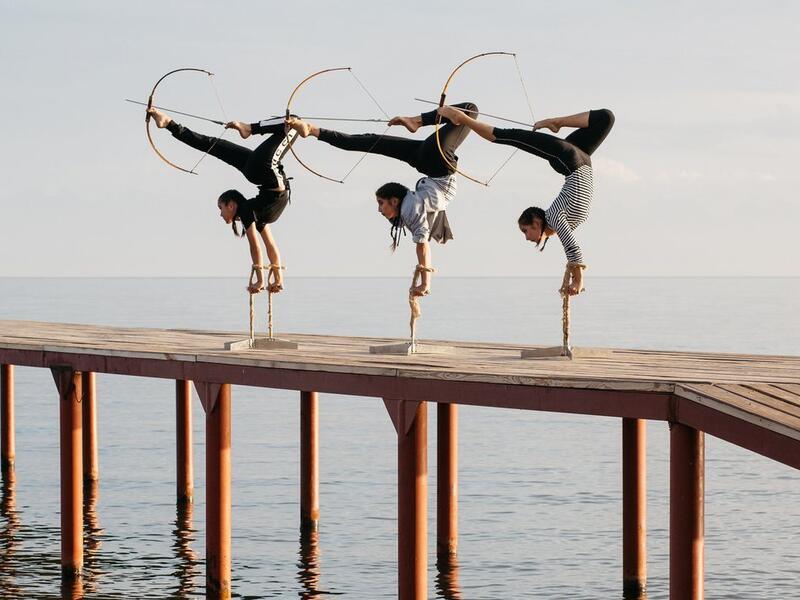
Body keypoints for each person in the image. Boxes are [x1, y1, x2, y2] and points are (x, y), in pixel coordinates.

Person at [286, 102, 478, 297]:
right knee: (469, 110)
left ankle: (312, 130)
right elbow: (422, 246)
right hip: (437, 163)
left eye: (380, 203)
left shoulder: (409, 210)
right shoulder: (411, 209)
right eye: (381, 203)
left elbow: (422, 241)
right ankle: (417, 121)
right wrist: (425, 282)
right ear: (394, 201)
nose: (379, 210)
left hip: (426, 162)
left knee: (368, 141)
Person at [437, 105, 615, 296]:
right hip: (577, 160)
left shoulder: (555, 218)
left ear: (537, 221)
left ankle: (464, 119)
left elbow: (570, 247)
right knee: (605, 118)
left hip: (571, 160)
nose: (526, 237)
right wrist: (578, 281)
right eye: (525, 231)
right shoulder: (555, 219)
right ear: (537, 222)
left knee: (605, 117)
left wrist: (575, 277)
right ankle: (462, 119)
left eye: (525, 231)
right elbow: (572, 247)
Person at [147, 108, 298, 294]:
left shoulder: (249, 211)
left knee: (291, 122)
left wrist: (262, 280)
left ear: (231, 205)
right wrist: (277, 280)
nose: (220, 213)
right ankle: (169, 123)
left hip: (263, 172)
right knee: (293, 122)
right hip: (264, 174)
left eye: (220, 208)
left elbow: (259, 247)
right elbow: (265, 246)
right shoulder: (254, 212)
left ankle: (172, 124)